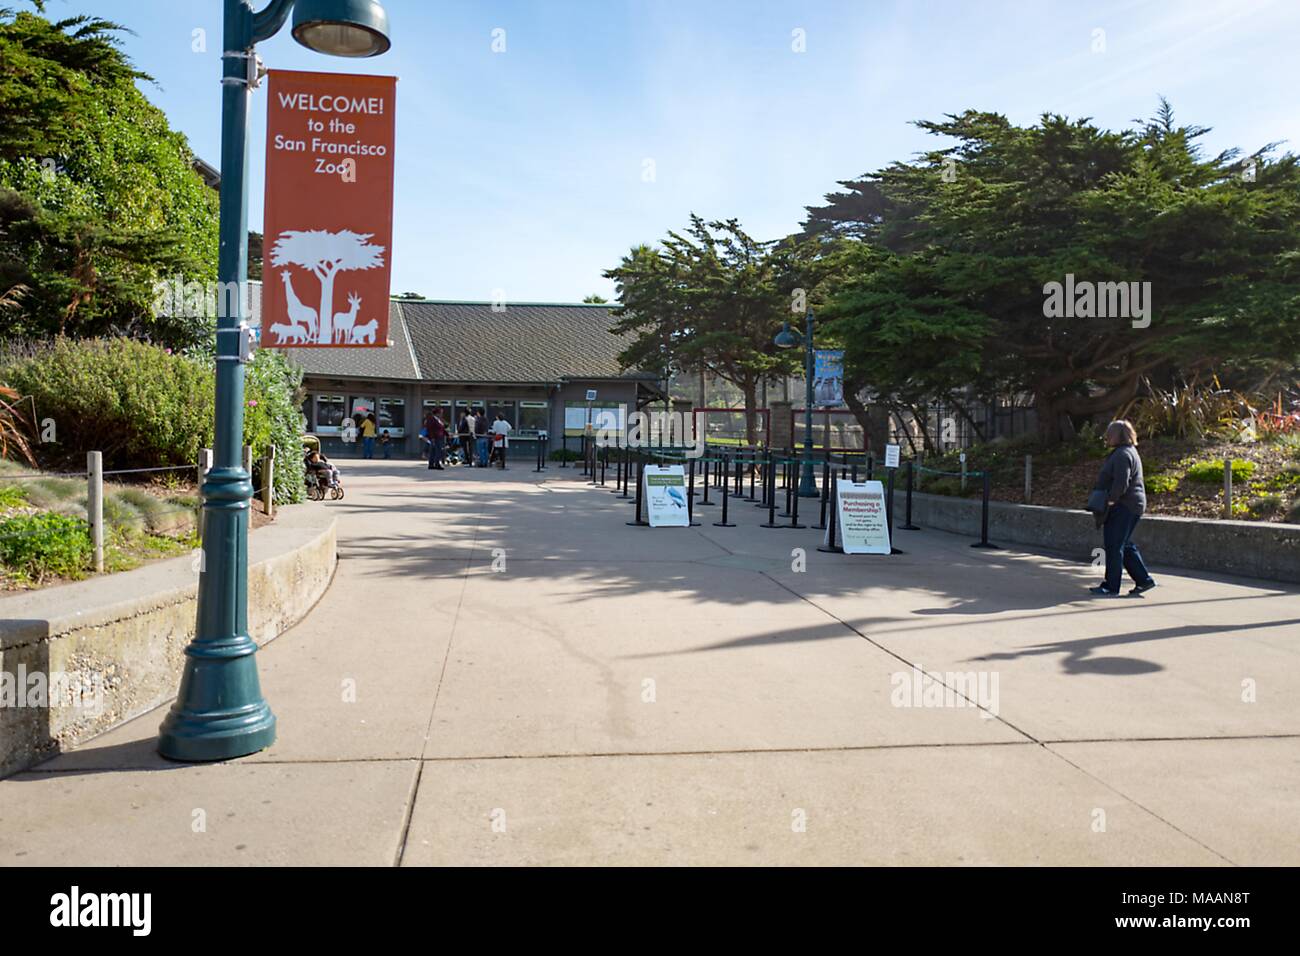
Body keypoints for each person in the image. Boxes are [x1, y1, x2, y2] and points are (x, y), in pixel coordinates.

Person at [1090, 419, 1156, 597]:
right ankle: (1143, 580)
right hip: (1131, 504)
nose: (1106, 437)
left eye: (1109, 434)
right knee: (1123, 544)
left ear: (1117, 435)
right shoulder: (1128, 452)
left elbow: (1121, 481)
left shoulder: (1122, 455)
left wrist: (1111, 500)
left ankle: (1111, 586)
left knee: (1114, 545)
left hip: (1124, 505)